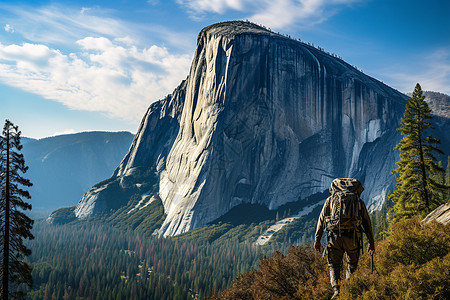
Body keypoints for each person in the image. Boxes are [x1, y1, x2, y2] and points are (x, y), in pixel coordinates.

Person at [314, 178, 375, 299]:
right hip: (353, 237)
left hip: (334, 238)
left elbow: (321, 221)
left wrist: (317, 240)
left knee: (334, 265)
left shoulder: (330, 200)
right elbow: (367, 223)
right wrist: (371, 243)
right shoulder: (358, 201)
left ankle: (336, 290)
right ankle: (349, 289)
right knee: (352, 264)